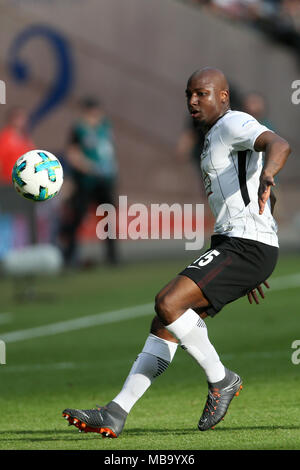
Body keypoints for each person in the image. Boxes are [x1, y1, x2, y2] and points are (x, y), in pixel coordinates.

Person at [62, 67, 291, 437]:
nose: (193, 101)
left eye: (202, 93)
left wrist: (269, 177)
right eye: (189, 94)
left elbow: (279, 145)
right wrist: (254, 251)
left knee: (168, 303)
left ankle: (222, 379)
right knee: (164, 326)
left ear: (223, 96)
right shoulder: (214, 135)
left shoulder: (234, 123)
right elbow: (259, 193)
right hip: (238, 245)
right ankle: (116, 412)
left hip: (245, 245)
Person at [58, 97, 118, 266]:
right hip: (85, 181)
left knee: (108, 218)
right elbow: (72, 153)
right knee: (78, 216)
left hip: (104, 180)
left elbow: (109, 151)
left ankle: (112, 256)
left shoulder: (105, 127)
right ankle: (68, 256)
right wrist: (88, 167)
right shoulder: (79, 129)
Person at [0, 106, 34, 184]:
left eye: (24, 117)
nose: (22, 120)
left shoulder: (25, 139)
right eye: (18, 116)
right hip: (8, 182)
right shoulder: (5, 137)